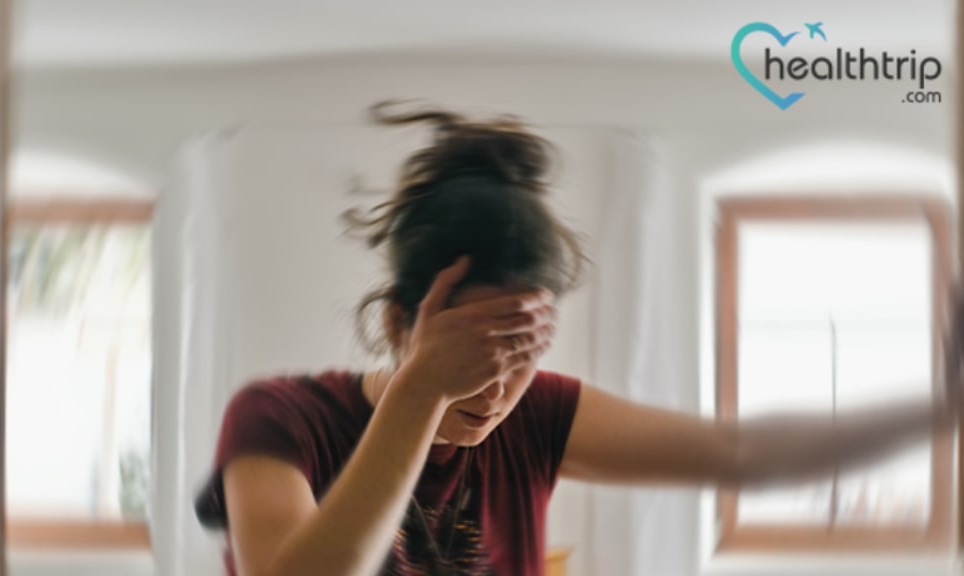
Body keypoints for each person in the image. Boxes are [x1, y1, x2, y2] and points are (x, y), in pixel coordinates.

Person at [194, 100, 960, 576]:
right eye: (471, 353)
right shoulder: (280, 419)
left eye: (519, 355)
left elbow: (741, 452)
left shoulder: (537, 417)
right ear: (399, 322)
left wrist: (944, 409)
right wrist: (424, 389)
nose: (494, 389)